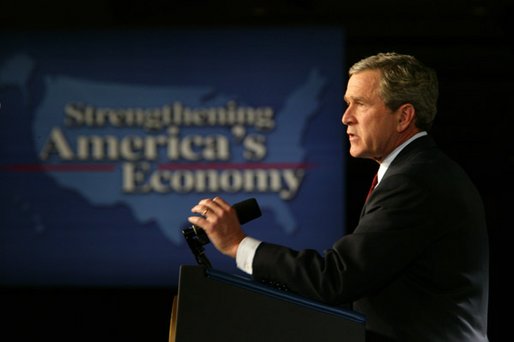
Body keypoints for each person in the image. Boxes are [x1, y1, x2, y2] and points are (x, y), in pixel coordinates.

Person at [188, 52, 489, 341]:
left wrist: (237, 245)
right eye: (347, 104)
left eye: (360, 104)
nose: (346, 117)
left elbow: (337, 277)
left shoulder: (415, 180)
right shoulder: (418, 171)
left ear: (403, 117)